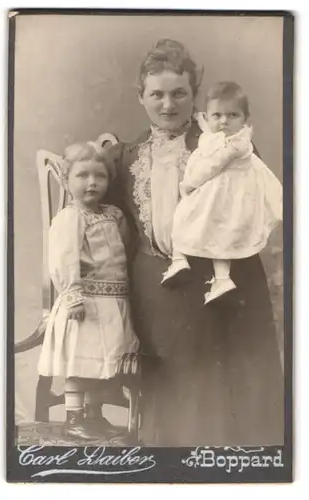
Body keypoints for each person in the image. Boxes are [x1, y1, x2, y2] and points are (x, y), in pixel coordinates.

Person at [108, 39, 284, 446]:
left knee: (225, 398)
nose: (168, 105)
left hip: (217, 282)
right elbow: (106, 225)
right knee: (171, 391)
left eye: (179, 93)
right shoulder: (125, 157)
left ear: (195, 95)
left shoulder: (225, 148)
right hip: (157, 289)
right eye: (157, 94)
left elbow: (249, 209)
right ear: (141, 97)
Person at [37, 142, 139, 440]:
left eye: (100, 176)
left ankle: (95, 415)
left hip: (112, 302)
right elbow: (64, 259)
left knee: (102, 362)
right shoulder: (71, 218)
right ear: (66, 180)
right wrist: (73, 296)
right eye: (82, 176)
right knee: (79, 362)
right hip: (85, 304)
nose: (92, 183)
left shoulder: (113, 216)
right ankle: (74, 417)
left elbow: (125, 253)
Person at [161, 82, 283, 305]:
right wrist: (204, 122)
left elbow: (212, 164)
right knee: (199, 226)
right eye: (217, 115)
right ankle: (189, 264)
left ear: (245, 118)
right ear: (208, 117)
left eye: (232, 115)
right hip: (218, 194)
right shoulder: (216, 136)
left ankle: (214, 274)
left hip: (229, 197)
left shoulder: (238, 143)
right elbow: (208, 139)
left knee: (193, 219)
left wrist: (188, 184)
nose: (224, 121)